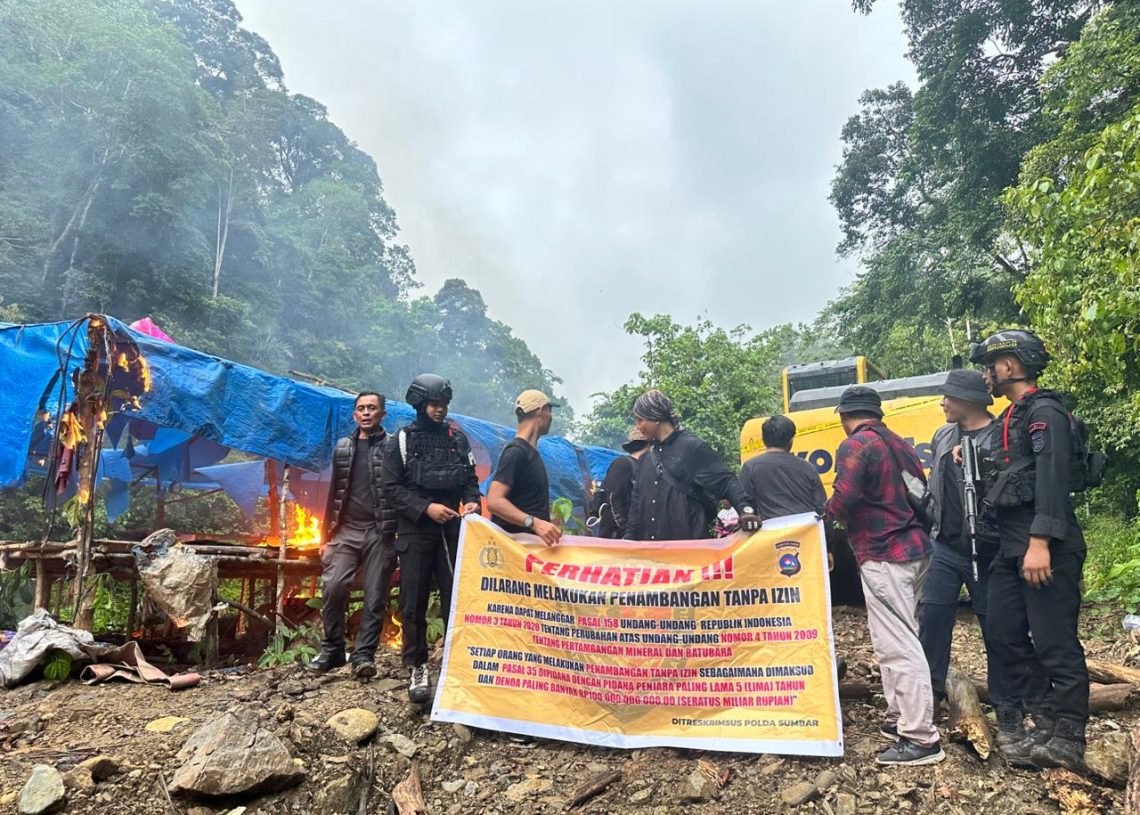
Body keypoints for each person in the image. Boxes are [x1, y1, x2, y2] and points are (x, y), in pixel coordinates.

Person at [969, 330, 1088, 771]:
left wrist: (1041, 542)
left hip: (1045, 545)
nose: (988, 372)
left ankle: (1070, 738)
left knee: (1056, 643)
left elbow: (1050, 479)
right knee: (1002, 634)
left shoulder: (1044, 412)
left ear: (1011, 366)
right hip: (1009, 545)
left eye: (992, 363)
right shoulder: (1010, 419)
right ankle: (1046, 720)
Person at [825, 385, 943, 766]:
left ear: (845, 416)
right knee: (893, 636)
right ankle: (898, 718)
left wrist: (816, 521)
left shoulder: (856, 445)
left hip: (883, 551)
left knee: (898, 644)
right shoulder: (899, 443)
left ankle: (921, 738)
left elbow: (844, 498)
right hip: (915, 548)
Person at [917, 370, 1013, 735]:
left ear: (969, 400)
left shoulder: (1000, 435)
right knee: (932, 621)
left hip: (988, 552)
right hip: (944, 546)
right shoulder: (943, 435)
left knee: (997, 628)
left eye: (949, 397)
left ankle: (1007, 708)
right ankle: (930, 696)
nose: (942, 403)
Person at [383, 374, 481, 704]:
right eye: (434, 404)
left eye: (444, 405)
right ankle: (417, 666)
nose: (439, 410)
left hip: (452, 528)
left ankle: (459, 665)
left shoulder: (458, 440)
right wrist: (426, 508)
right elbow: (393, 490)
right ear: (420, 405)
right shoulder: (401, 441)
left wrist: (471, 503)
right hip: (416, 529)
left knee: (458, 599)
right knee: (413, 602)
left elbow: (470, 481)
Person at [309, 392, 399, 679]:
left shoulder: (393, 447)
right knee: (333, 587)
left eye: (372, 408)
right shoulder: (343, 447)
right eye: (361, 408)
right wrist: (325, 536)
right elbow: (333, 492)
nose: (366, 413)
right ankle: (332, 649)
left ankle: (363, 656)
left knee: (375, 597)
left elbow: (400, 491)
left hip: (380, 532)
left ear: (383, 414)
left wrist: (398, 534)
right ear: (354, 415)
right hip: (345, 530)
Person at [624, 389, 761, 541]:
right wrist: (629, 538)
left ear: (655, 417)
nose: (637, 426)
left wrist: (746, 510)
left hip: (688, 551)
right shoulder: (645, 460)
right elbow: (636, 506)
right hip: (651, 554)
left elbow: (726, 482)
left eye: (639, 420)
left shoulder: (693, 448)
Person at [486, 389, 562, 547]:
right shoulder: (516, 452)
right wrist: (534, 522)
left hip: (528, 552)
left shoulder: (532, 453)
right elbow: (494, 501)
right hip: (513, 552)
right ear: (540, 410)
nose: (551, 417)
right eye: (550, 410)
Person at [596, 428, 649, 539]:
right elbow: (613, 499)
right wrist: (625, 531)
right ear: (648, 445)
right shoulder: (622, 464)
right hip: (618, 535)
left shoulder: (644, 466)